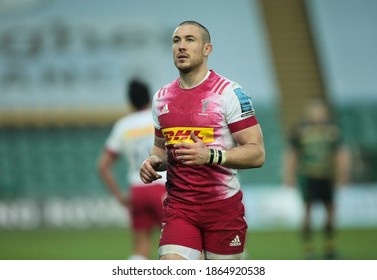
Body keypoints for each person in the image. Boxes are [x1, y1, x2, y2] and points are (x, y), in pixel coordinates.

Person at [139, 21, 265, 260]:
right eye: (176, 41)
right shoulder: (161, 98)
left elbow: (257, 153)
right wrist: (153, 163)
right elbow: (161, 151)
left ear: (208, 49)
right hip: (180, 208)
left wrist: (211, 155)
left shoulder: (228, 93)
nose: (181, 47)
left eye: (190, 40)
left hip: (223, 210)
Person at [98, 79, 167, 260]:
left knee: (141, 246)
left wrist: (119, 196)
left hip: (137, 189)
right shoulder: (159, 117)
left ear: (130, 101)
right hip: (161, 185)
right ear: (149, 96)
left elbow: (103, 166)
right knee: (173, 242)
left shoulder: (123, 125)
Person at [283, 98, 350, 259]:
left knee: (330, 212)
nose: (317, 114)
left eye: (319, 111)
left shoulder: (332, 129)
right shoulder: (301, 129)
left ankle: (329, 248)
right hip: (308, 176)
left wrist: (343, 174)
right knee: (307, 211)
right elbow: (292, 154)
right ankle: (309, 249)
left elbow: (341, 153)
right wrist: (289, 175)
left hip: (326, 175)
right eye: (314, 110)